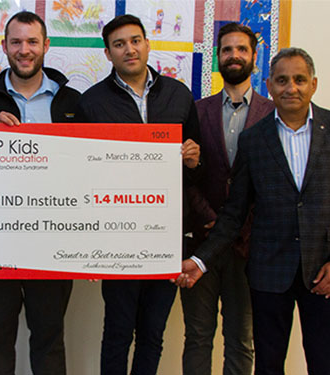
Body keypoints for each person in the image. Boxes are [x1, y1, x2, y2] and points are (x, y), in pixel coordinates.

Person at [176, 47, 330, 375]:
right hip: (268, 273)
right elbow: (235, 212)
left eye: (299, 79)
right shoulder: (254, 140)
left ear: (314, 84)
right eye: (281, 80)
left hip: (326, 273)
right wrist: (200, 260)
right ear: (269, 85)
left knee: (323, 363)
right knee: (267, 364)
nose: (290, 87)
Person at [77, 14, 201, 375]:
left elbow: (198, 168)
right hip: (118, 238)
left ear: (147, 44)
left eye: (135, 40)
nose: (129, 49)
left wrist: (195, 159)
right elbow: (84, 178)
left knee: (153, 333)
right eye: (119, 44)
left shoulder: (178, 94)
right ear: (108, 53)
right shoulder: (92, 104)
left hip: (167, 236)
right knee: (117, 333)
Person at [0, 11, 80, 375]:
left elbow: (87, 173)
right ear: (4, 47)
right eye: (16, 42)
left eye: (32, 42)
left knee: (49, 340)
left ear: (46, 45)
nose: (24, 50)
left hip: (54, 242)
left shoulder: (73, 102)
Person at [181, 23, 274, 375]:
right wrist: (212, 220)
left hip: (250, 246)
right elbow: (188, 174)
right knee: (198, 336)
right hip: (203, 240)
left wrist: (239, 227)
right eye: (226, 50)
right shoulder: (197, 110)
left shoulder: (271, 112)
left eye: (241, 49)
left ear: (254, 56)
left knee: (241, 338)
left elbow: (273, 179)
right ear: (217, 58)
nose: (233, 55)